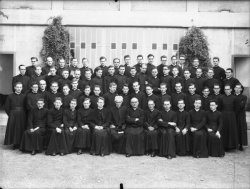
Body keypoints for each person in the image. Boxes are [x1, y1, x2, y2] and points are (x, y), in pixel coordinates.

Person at [4, 82, 26, 149]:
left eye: (20, 87)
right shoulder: (10, 96)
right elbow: (7, 107)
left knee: (20, 129)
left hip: (22, 115)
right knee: (13, 129)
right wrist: (11, 114)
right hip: (13, 115)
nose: (19, 88)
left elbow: (25, 106)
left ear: (22, 88)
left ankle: (20, 143)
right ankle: (14, 143)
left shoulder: (24, 96)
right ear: (15, 87)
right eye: (17, 87)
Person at [221, 84, 238, 150]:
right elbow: (220, 107)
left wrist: (232, 115)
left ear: (231, 90)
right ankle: (224, 145)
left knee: (231, 130)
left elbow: (236, 109)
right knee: (224, 130)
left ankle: (231, 145)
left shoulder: (234, 98)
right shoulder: (221, 97)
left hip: (231, 116)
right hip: (223, 115)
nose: (226, 91)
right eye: (225, 89)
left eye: (228, 89)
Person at [234, 83, 248, 150]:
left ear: (241, 89)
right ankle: (234, 143)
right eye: (236, 87)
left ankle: (241, 144)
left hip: (240, 116)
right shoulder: (232, 96)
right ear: (234, 88)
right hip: (233, 115)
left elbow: (241, 106)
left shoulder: (244, 97)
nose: (237, 89)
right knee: (234, 129)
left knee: (241, 129)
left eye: (239, 88)